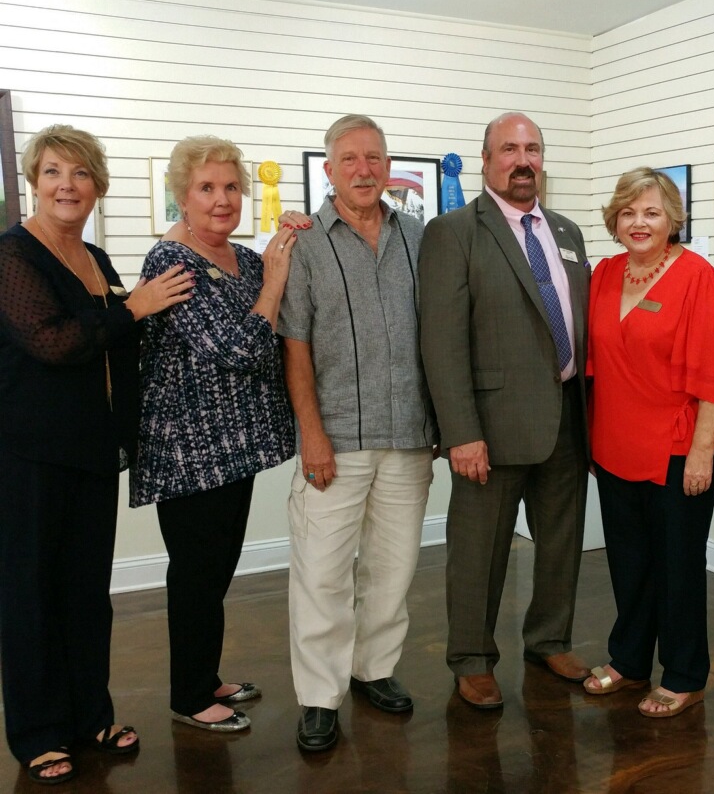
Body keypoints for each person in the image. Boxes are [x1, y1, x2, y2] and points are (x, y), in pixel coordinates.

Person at [0, 125, 193, 784]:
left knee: (86, 594)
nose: (67, 185)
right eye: (54, 171)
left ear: (97, 186)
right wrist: (134, 308)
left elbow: (117, 347)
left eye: (80, 173)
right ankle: (37, 733)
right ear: (34, 180)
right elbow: (53, 342)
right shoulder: (12, 255)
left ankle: (89, 716)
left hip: (90, 450)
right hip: (28, 454)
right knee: (30, 595)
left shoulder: (97, 259)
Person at [419, 112, 591, 709]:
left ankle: (550, 640)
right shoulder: (453, 232)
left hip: (567, 416)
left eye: (532, 149)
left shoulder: (567, 231)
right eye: (510, 149)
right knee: (478, 551)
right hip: (490, 428)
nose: (523, 161)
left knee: (562, 542)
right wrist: (460, 433)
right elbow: (441, 343)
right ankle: (472, 658)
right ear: (487, 159)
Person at [278, 115, 437, 752]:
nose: (364, 170)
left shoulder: (419, 237)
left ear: (388, 166)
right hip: (336, 438)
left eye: (374, 158)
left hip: (408, 435)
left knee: (391, 570)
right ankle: (320, 697)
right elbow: (294, 345)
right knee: (321, 575)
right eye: (350, 159)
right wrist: (311, 435)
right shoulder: (306, 243)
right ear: (329, 170)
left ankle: (374, 668)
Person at [129, 136, 295, 733]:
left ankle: (205, 675)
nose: (221, 200)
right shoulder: (171, 263)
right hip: (187, 453)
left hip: (234, 450)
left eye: (230, 187)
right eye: (206, 188)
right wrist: (274, 283)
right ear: (183, 196)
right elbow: (240, 349)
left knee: (217, 569)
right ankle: (189, 696)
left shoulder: (244, 259)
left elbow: (274, 335)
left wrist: (291, 241)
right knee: (196, 574)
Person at [582, 167, 714, 717]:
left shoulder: (699, 279)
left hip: (680, 450)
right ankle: (629, 661)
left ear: (673, 219)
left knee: (677, 567)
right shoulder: (605, 274)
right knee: (629, 563)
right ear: (614, 219)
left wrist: (702, 453)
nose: (639, 222)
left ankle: (684, 674)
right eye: (628, 212)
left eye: (652, 212)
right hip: (615, 445)